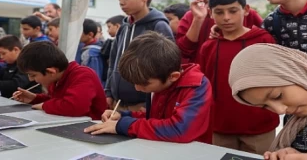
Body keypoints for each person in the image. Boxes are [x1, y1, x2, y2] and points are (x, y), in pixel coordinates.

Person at [84, 32, 212, 144]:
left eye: (144, 84)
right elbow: (155, 118)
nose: (138, 88)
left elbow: (179, 129)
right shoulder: (158, 78)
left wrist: (123, 125)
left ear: (173, 76)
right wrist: (122, 116)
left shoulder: (196, 86)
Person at [200, 0, 278, 154]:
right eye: (219, 12)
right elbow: (205, 86)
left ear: (246, 10)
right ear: (210, 12)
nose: (226, 18)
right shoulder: (208, 47)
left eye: (233, 11)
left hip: (260, 127)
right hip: (220, 126)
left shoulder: (263, 40)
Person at [105, 0, 174, 111]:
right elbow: (113, 62)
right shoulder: (123, 28)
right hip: (118, 103)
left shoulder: (158, 25)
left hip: (143, 105)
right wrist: (108, 90)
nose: (121, 2)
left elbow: (167, 66)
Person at [13, 41, 106, 120]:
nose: (30, 79)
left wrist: (43, 106)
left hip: (90, 128)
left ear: (51, 71)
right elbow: (57, 100)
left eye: (33, 75)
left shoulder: (83, 75)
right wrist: (35, 98)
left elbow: (75, 107)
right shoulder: (57, 78)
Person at [79, 19, 104, 84]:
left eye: (79, 32)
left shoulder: (92, 53)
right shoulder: (85, 48)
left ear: (90, 34)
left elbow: (94, 77)